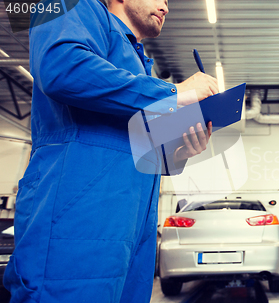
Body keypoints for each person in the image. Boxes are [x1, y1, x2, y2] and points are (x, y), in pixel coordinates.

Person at [4, 0, 219, 302]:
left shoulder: (139, 63)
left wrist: (179, 150)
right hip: (76, 222)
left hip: (131, 232)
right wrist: (173, 92)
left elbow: (134, 145)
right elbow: (61, 67)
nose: (167, 8)